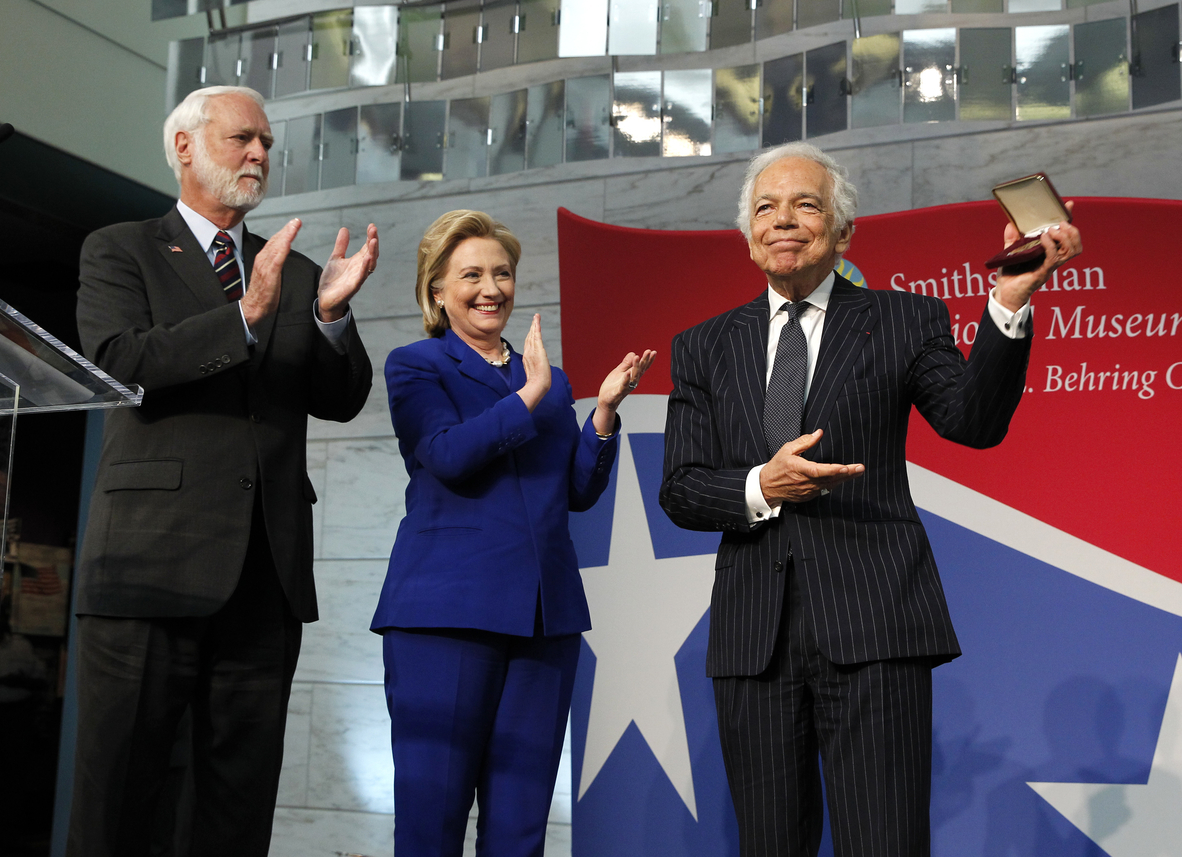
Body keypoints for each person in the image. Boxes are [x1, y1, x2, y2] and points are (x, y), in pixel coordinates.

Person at [659, 142, 1082, 857]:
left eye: (806, 205)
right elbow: (681, 487)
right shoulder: (702, 346)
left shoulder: (902, 320)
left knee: (883, 841)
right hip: (752, 640)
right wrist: (764, 483)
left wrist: (1009, 303)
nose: (783, 220)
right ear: (747, 234)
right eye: (766, 207)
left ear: (843, 231)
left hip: (876, 625)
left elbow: (973, 422)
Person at [69, 85, 376, 857]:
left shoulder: (300, 273)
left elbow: (341, 399)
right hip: (148, 566)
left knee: (235, 813)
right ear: (184, 145)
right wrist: (244, 319)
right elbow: (118, 360)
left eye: (267, 144)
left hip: (262, 581)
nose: (260, 155)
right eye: (244, 138)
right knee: (120, 803)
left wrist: (332, 320)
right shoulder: (121, 248)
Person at [370, 210, 655, 857]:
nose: (490, 286)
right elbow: (447, 454)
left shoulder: (552, 386)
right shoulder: (416, 366)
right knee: (431, 818)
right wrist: (527, 396)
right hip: (446, 619)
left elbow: (575, 493)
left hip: (544, 623)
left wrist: (602, 415)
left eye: (502, 272)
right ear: (437, 290)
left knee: (520, 827)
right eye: (471, 274)